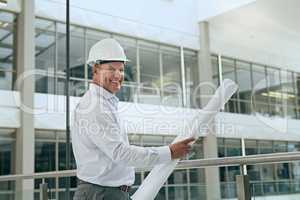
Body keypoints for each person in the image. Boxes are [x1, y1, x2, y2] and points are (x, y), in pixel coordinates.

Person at [72, 38, 194, 200]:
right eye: (111, 69)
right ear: (95, 70)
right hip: (101, 194)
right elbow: (120, 153)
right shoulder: (95, 106)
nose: (118, 75)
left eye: (121, 70)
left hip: (107, 193)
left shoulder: (105, 103)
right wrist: (169, 152)